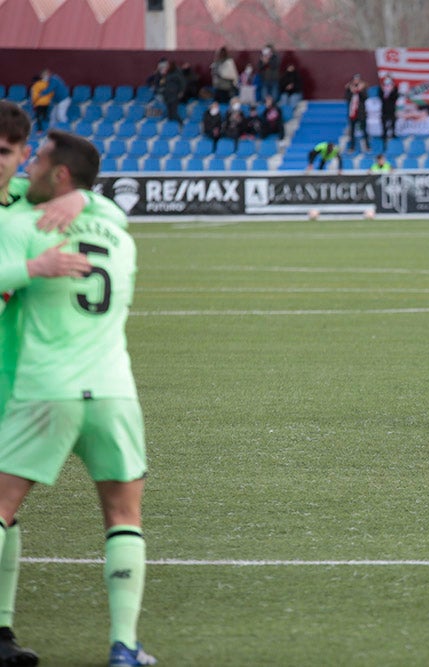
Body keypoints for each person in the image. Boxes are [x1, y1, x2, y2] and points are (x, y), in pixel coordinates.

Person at [0, 129, 156, 667]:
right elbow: (111, 213)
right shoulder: (120, 234)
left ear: (59, 174)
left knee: (1, 507)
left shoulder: (22, 227)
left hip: (46, 388)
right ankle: (124, 647)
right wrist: (86, 199)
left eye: (38, 160)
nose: (28, 168)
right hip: (114, 390)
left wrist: (31, 268)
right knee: (123, 515)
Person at [150, 59, 185, 126]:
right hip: (166, 96)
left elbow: (182, 82)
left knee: (174, 113)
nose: (163, 69)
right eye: (161, 68)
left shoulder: (175, 73)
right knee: (170, 114)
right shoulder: (159, 75)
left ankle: (181, 124)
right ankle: (172, 127)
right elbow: (156, 85)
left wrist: (181, 91)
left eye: (164, 67)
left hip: (174, 95)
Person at [344, 74, 370, 153]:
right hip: (352, 114)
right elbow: (347, 98)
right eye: (355, 79)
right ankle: (352, 147)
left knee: (364, 130)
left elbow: (365, 98)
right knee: (352, 131)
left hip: (361, 114)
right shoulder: (349, 89)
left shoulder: (363, 89)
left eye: (357, 79)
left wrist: (359, 90)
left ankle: (367, 146)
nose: (356, 81)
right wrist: (351, 91)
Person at [376, 76, 399, 151]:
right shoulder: (381, 89)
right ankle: (384, 134)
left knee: (393, 121)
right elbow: (380, 97)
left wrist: (391, 91)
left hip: (392, 109)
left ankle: (393, 133)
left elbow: (396, 97)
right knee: (384, 122)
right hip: (384, 109)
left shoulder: (394, 89)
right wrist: (384, 91)